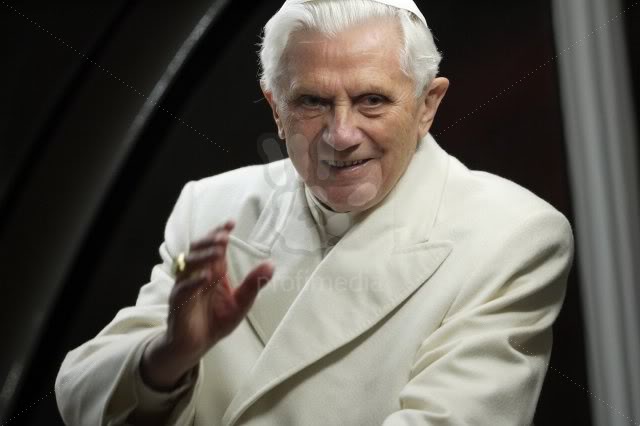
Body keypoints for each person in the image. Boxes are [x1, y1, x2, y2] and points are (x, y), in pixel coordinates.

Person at [55, 0, 575, 424]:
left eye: (372, 100)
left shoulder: (511, 234)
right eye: (311, 102)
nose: (341, 135)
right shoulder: (212, 208)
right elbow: (81, 394)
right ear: (275, 109)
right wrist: (170, 356)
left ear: (426, 106)